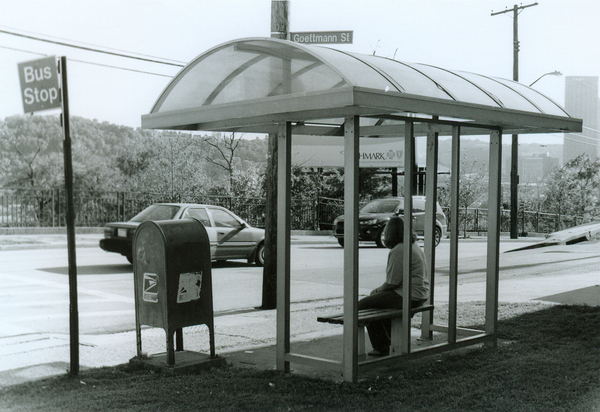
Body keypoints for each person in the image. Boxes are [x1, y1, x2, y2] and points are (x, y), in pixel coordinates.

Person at [358, 216, 429, 356]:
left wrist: (375, 291)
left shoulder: (399, 250)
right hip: (419, 294)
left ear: (389, 232)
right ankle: (388, 341)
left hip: (407, 295)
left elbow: (391, 283)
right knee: (380, 305)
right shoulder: (413, 245)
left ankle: (381, 346)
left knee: (362, 305)